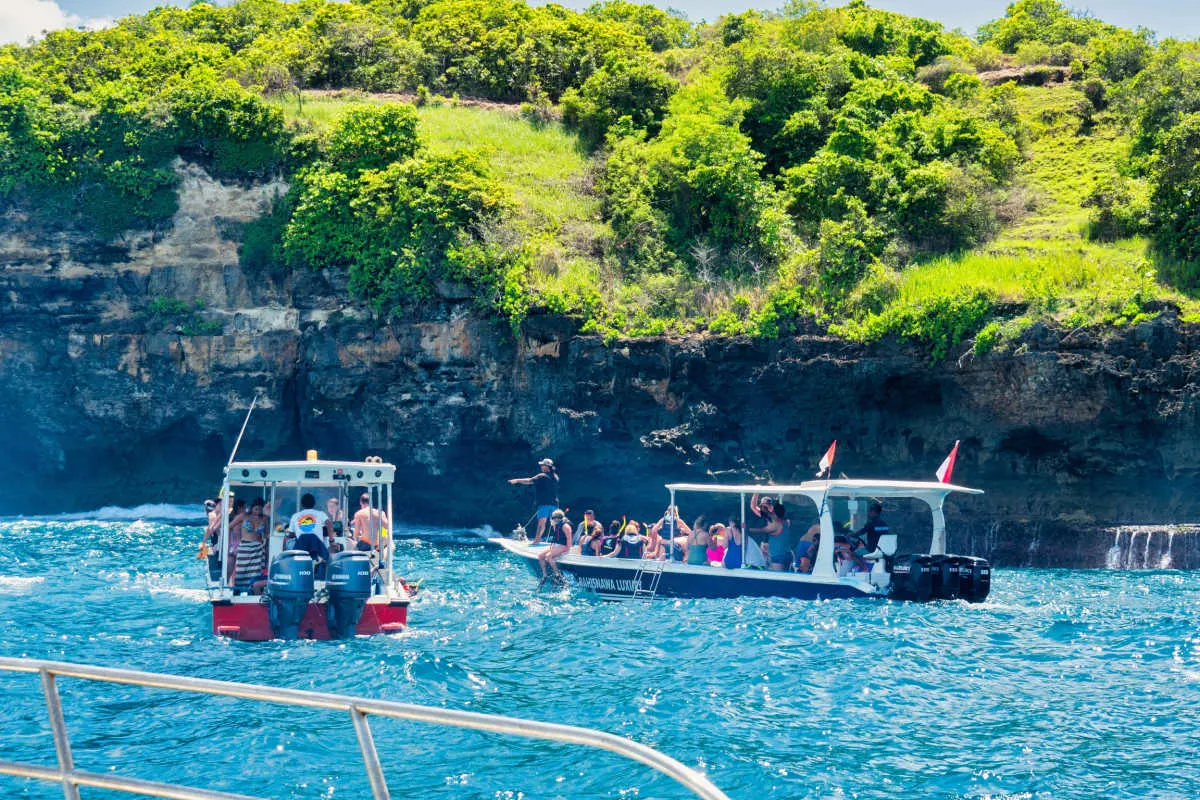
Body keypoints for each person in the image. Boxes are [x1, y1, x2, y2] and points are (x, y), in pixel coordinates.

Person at [508, 458, 559, 544]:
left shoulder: (542, 476)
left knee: (541, 523)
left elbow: (529, 481)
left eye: (543, 465)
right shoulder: (555, 477)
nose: (541, 466)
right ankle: (559, 541)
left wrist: (517, 480)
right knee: (556, 524)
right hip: (554, 504)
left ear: (547, 467)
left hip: (544, 504)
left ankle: (537, 540)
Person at [289, 493, 331, 577]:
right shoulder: (321, 514)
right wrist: (332, 540)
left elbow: (290, 534)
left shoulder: (295, 516)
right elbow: (329, 524)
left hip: (301, 549)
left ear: (302, 504)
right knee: (328, 557)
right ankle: (322, 578)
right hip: (317, 549)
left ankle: (296, 576)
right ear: (314, 503)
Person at [234, 498, 269, 594]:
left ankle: (253, 594)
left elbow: (266, 535)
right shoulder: (244, 516)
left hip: (258, 549)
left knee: (256, 574)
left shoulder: (264, 518)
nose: (258, 511)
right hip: (244, 548)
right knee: (240, 573)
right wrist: (234, 542)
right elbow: (229, 526)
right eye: (256, 509)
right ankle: (237, 593)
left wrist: (266, 554)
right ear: (252, 508)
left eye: (260, 509)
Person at [749, 494, 790, 571]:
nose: (763, 508)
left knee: (775, 565)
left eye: (765, 506)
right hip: (766, 543)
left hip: (774, 545)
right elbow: (753, 506)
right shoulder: (764, 514)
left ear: (770, 505)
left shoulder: (777, 515)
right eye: (762, 506)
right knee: (766, 564)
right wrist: (756, 493)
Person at [537, 509, 573, 582]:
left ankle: (557, 574)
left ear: (557, 518)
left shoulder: (565, 526)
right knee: (540, 556)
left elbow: (569, 538)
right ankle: (545, 574)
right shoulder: (555, 525)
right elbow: (556, 538)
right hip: (557, 545)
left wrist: (568, 549)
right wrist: (553, 547)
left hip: (563, 545)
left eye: (553, 518)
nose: (551, 519)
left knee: (548, 556)